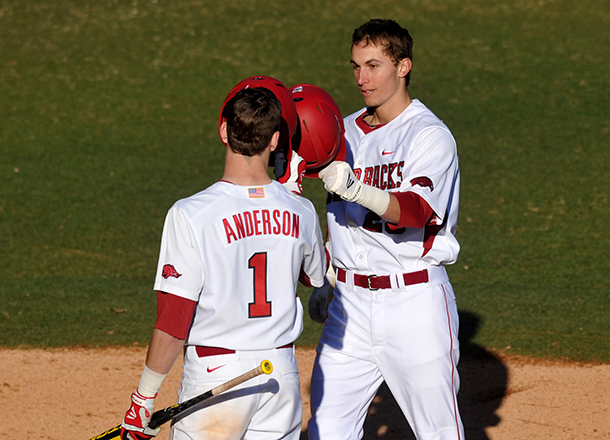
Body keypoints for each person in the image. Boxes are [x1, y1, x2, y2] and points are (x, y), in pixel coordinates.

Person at [120, 86, 327, 440]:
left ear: (223, 131)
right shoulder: (301, 210)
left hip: (216, 378)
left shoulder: (190, 214)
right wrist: (290, 198)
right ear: (275, 140)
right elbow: (314, 278)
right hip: (280, 376)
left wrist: (144, 397)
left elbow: (174, 320)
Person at [308, 18, 464, 440]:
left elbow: (414, 211)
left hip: (413, 304)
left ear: (403, 66)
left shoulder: (428, 136)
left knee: (438, 432)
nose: (362, 78)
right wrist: (327, 277)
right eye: (356, 66)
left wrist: (358, 188)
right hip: (349, 307)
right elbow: (340, 215)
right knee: (326, 430)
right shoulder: (342, 131)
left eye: (374, 65)